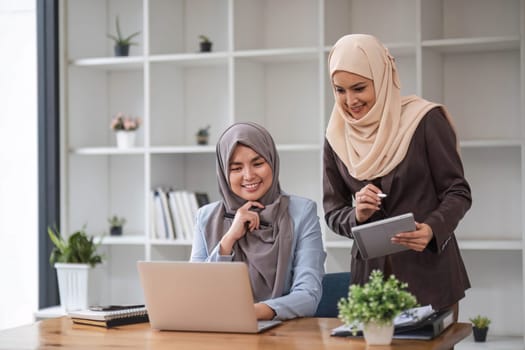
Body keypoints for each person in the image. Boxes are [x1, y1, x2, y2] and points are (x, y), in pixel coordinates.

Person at [322, 34, 472, 321]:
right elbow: (332, 212)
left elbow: (458, 192)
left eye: (359, 88)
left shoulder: (424, 121)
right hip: (370, 285)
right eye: (339, 90)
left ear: (382, 78)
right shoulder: (336, 137)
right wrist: (357, 214)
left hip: (430, 276)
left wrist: (431, 229)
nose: (350, 101)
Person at [190, 122, 326, 321]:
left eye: (258, 163)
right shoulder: (206, 217)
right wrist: (228, 240)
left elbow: (308, 295)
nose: (249, 175)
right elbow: (195, 291)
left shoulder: (302, 212)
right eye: (236, 168)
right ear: (223, 173)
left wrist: (250, 313)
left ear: (272, 161)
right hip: (218, 332)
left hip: (282, 332)